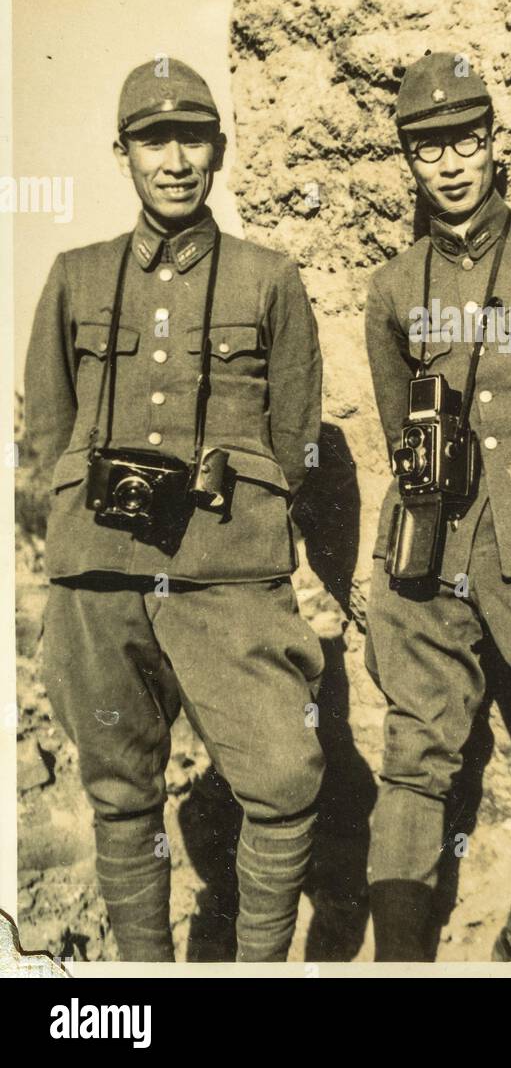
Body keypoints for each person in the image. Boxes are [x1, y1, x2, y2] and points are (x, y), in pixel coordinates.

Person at [25, 58, 325, 962]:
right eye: (154, 140)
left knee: (281, 777)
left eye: (193, 137)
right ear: (123, 154)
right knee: (120, 788)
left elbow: (295, 432)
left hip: (226, 570)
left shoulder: (267, 278)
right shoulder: (76, 276)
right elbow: (48, 426)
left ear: (220, 150)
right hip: (99, 573)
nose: (176, 159)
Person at [363, 50, 511, 961]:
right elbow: (397, 424)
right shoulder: (394, 287)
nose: (452, 163)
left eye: (467, 140)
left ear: (495, 142)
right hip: (427, 555)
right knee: (415, 765)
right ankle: (398, 964)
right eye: (430, 149)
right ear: (410, 161)